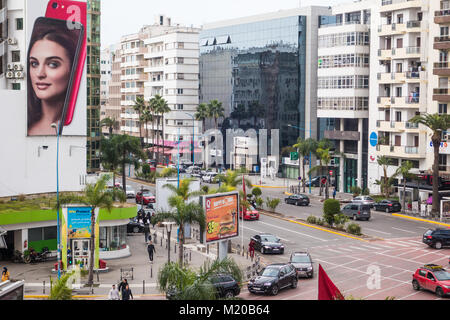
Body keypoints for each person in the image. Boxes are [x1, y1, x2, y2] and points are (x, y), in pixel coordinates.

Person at [27, 18, 81, 136]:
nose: (39, 74)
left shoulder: (76, 126)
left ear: (73, 68)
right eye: (34, 64)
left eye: (52, 64)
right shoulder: (21, 122)